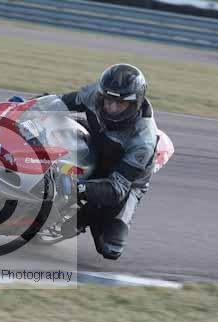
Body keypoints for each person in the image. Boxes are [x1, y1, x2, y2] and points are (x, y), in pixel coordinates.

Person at [58, 64, 158, 260]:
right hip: (97, 149)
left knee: (110, 248)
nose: (111, 108)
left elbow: (117, 189)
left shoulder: (143, 140)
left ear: (134, 103)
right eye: (108, 100)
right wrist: (26, 107)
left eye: (119, 104)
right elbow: (60, 102)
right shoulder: (95, 94)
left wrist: (76, 188)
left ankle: (89, 213)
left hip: (125, 182)